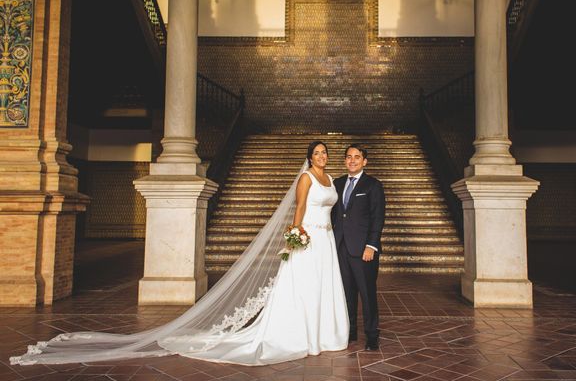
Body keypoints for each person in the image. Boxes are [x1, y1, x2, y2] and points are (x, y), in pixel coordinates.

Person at [11, 142, 348, 366]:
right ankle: (297, 334)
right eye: (317, 152)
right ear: (309, 156)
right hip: (307, 238)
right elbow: (300, 207)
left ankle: (324, 333)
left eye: (324, 152)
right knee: (301, 287)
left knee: (322, 286)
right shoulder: (305, 178)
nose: (322, 156)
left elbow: (332, 207)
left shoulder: (330, 177)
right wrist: (296, 233)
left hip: (327, 241)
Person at [331, 144, 385, 351]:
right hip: (341, 246)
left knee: (367, 292)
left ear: (364, 161)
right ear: (345, 160)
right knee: (346, 292)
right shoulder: (337, 183)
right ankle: (350, 331)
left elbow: (377, 218)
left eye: (357, 157)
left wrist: (371, 245)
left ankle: (372, 335)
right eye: (348, 157)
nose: (352, 160)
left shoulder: (373, 185)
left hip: (364, 249)